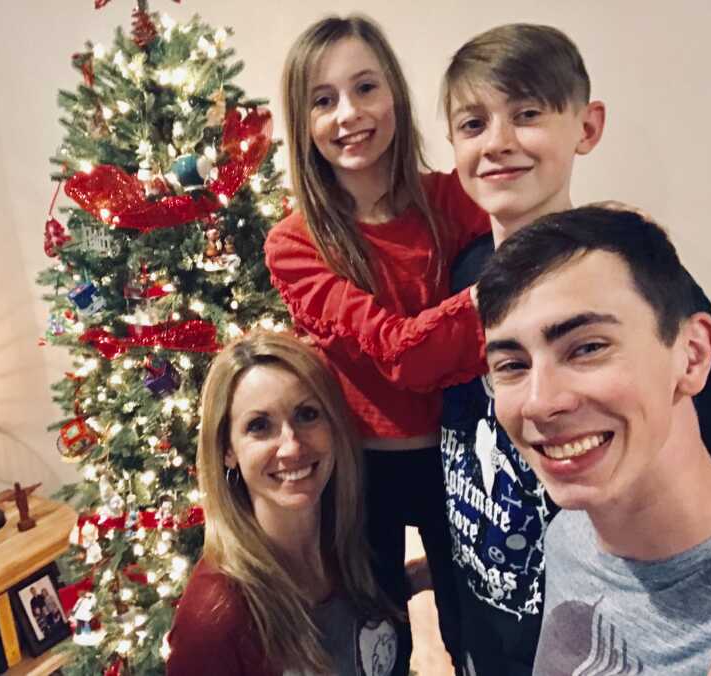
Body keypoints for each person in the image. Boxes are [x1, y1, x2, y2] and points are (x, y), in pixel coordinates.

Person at [436, 23, 711, 674]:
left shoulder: (647, 288)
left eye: (528, 114)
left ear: (587, 127)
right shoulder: (460, 276)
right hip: (500, 635)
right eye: (474, 123)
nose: (500, 142)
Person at [265, 15, 492, 671]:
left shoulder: (451, 198)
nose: (348, 114)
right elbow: (402, 352)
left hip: (461, 460)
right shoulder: (295, 243)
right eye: (323, 99)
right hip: (360, 473)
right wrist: (485, 298)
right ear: (304, 121)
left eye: (365, 88)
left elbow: (540, 233)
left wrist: (606, 224)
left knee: (473, 632)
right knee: (374, 648)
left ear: (393, 92)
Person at [476, 206, 711, 675]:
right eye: (512, 365)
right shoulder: (568, 535)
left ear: (692, 356)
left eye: (588, 347)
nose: (538, 403)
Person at [166, 331, 399, 676]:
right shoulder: (213, 617)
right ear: (227, 451)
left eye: (307, 414)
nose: (291, 446)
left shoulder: (352, 544)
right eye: (259, 426)